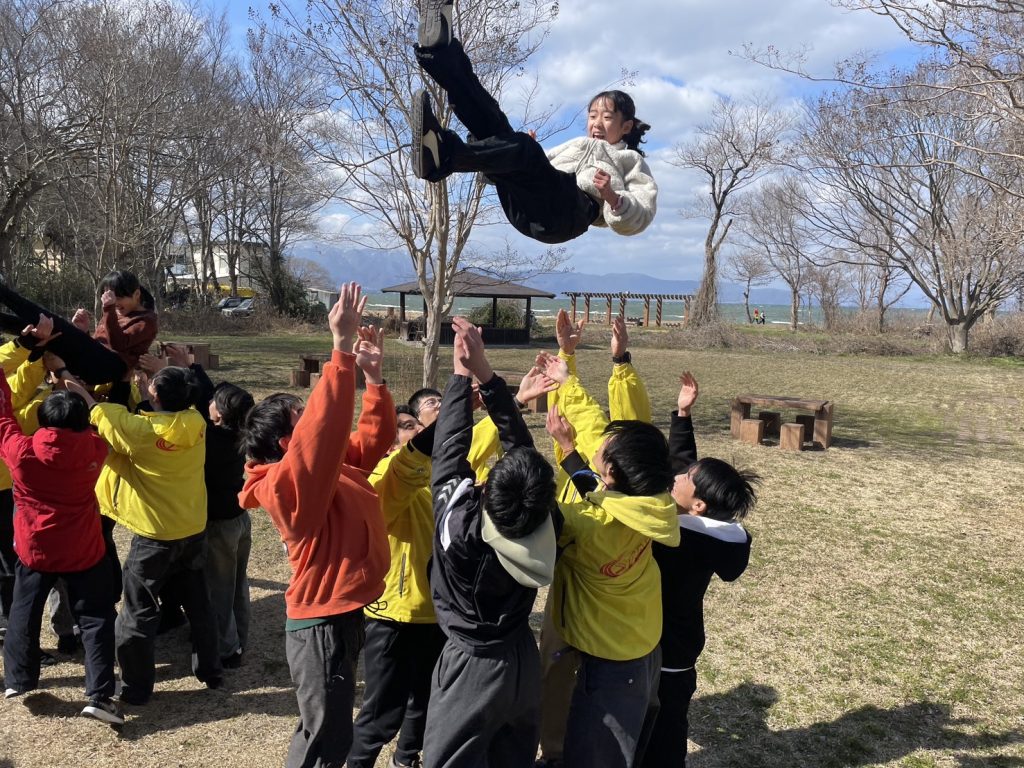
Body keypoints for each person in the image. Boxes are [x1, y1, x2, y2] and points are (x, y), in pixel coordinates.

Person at [238, 283, 396, 768]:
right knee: (325, 738)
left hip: (340, 616)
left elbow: (371, 444)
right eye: (300, 418)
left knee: (326, 729)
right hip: (321, 623)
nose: (311, 420)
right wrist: (340, 351)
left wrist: (373, 379)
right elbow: (322, 433)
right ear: (287, 442)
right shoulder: (286, 486)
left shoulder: (324, 470)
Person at [423, 316, 559, 768]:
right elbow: (521, 451)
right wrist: (484, 375)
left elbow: (448, 451)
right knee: (513, 755)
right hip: (520, 656)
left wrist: (464, 375)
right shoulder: (547, 522)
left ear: (487, 489)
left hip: (470, 665)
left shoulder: (461, 530)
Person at [410, 1, 656, 244]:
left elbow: (642, 215)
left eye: (607, 117)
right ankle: (440, 54)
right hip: (525, 206)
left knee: (523, 148)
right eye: (592, 116)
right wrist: (524, 152)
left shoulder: (630, 161)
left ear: (626, 127)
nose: (597, 124)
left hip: (568, 215)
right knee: (494, 124)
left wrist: (613, 198)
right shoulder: (575, 146)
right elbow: (539, 168)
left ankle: (443, 154)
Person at [537, 349, 679, 768]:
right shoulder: (652, 501)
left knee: (600, 747)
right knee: (629, 730)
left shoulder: (588, 527)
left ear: (612, 474)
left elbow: (559, 511)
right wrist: (567, 378)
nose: (599, 442)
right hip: (641, 640)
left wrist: (562, 451)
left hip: (606, 654)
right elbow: (591, 435)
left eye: (605, 449)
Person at [348, 395, 502, 768]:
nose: (415, 430)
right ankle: (357, 761)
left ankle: (406, 759)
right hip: (395, 615)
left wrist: (510, 400)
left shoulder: (439, 475)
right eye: (405, 427)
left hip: (438, 611)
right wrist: (451, 414)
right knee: (382, 711)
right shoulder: (383, 477)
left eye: (416, 425)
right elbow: (409, 468)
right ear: (390, 442)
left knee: (426, 698)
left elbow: (476, 441)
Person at [68, 363, 222, 705]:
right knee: (198, 602)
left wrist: (73, 385)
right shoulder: (195, 422)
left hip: (155, 536)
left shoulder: (142, 433)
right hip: (192, 527)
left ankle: (136, 688)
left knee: (137, 612)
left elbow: (102, 415)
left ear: (155, 397)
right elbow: (143, 414)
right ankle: (211, 668)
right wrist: (152, 379)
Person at [640, 373, 759, 768]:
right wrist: (682, 416)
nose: (675, 475)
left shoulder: (677, 536)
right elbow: (687, 469)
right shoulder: (710, 532)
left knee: (663, 732)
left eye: (685, 479)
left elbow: (683, 477)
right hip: (681, 646)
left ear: (699, 507)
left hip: (663, 648)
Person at [0, 337, 120, 723]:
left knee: (23, 611)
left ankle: (18, 678)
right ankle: (99, 695)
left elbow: (3, 419)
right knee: (96, 617)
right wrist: (65, 375)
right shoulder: (95, 449)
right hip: (84, 548)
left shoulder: (22, 453)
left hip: (35, 549)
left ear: (42, 421)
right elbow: (96, 415)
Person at [140, 345, 256, 669]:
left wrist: (160, 382)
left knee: (218, 590)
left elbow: (178, 415)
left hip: (218, 527)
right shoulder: (237, 432)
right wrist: (190, 367)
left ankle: (225, 649)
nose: (207, 403)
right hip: (238, 521)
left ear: (219, 414)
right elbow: (210, 396)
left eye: (213, 403)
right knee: (237, 585)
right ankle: (238, 639)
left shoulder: (209, 438)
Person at [0, 271, 158, 384]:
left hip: (109, 367)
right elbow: (101, 344)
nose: (115, 303)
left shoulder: (147, 321)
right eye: (110, 298)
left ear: (137, 295)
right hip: (96, 360)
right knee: (42, 330)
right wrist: (84, 332)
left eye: (119, 298)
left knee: (54, 324)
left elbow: (118, 345)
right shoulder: (116, 312)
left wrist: (108, 309)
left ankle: (3, 293)